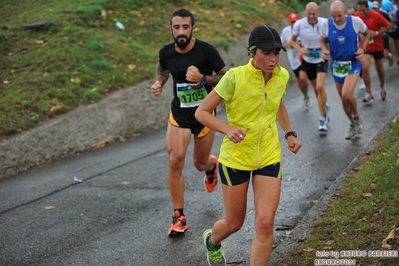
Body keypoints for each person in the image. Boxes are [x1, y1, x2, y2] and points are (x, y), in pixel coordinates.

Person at [195, 25, 302, 266]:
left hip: (269, 156)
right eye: (267, 53)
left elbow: (276, 103)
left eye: (277, 53)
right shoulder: (235, 77)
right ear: (252, 52)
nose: (273, 59)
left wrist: (289, 133)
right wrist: (227, 129)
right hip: (236, 160)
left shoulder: (281, 75)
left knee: (265, 223)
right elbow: (201, 112)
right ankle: (212, 241)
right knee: (234, 223)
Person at [150, 8, 227, 236]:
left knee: (199, 164)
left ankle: (211, 165)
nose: (181, 32)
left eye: (186, 27)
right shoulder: (166, 52)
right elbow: (163, 67)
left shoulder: (206, 51)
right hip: (180, 115)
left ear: (193, 28)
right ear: (171, 29)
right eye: (177, 27)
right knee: (175, 160)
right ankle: (178, 216)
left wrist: (203, 78)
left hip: (204, 115)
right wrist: (159, 83)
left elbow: (227, 77)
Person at [321, 0, 370, 139]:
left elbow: (367, 34)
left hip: (353, 62)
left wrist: (363, 48)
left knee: (346, 95)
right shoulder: (326, 24)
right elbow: (322, 41)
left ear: (345, 12)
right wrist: (325, 51)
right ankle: (352, 125)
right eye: (334, 16)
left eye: (339, 16)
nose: (336, 19)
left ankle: (356, 116)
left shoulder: (355, 22)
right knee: (343, 101)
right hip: (337, 65)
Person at [290, 2, 331, 134]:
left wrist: (328, 50)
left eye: (314, 14)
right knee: (313, 87)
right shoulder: (299, 24)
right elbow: (292, 41)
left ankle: (322, 118)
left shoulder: (325, 23)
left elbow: (331, 38)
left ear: (318, 13)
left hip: (321, 58)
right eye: (309, 14)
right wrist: (301, 49)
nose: (311, 16)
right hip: (308, 59)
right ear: (305, 13)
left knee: (320, 87)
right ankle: (324, 105)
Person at [354, 0, 392, 103]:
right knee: (365, 67)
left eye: (363, 10)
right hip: (366, 47)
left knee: (379, 68)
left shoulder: (376, 15)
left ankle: (382, 87)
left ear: (367, 8)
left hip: (377, 46)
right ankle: (368, 93)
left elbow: (389, 25)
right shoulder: (356, 16)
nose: (361, 13)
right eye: (359, 10)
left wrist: (377, 33)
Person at [281, 13, 310, 109]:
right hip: (293, 60)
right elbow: (281, 44)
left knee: (302, 78)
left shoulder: (303, 29)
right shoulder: (285, 31)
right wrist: (288, 44)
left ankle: (306, 95)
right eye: (292, 21)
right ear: (289, 22)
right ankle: (305, 96)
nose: (294, 23)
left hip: (302, 58)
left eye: (295, 21)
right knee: (299, 81)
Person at [372, 0, 395, 66]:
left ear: (379, 8)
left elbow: (390, 23)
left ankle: (389, 56)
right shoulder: (372, 16)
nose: (374, 9)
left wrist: (385, 31)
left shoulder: (384, 14)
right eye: (373, 8)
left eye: (375, 8)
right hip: (376, 37)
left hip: (384, 36)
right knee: (378, 54)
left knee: (384, 55)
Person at [381, 0, 399, 66]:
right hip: (386, 30)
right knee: (387, 46)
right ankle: (390, 56)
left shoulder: (396, 10)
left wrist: (391, 22)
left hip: (394, 29)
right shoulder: (382, 10)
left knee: (397, 45)